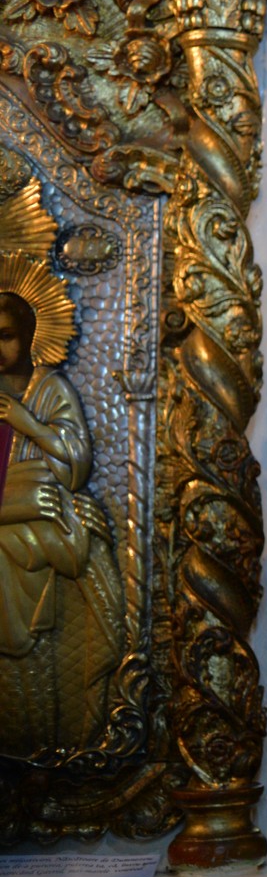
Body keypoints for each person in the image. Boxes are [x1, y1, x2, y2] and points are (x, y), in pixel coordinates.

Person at [0, 276, 125, 759]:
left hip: (43, 537)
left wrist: (25, 422)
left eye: (6, 335)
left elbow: (75, 466)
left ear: (30, 336)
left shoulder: (49, 389)